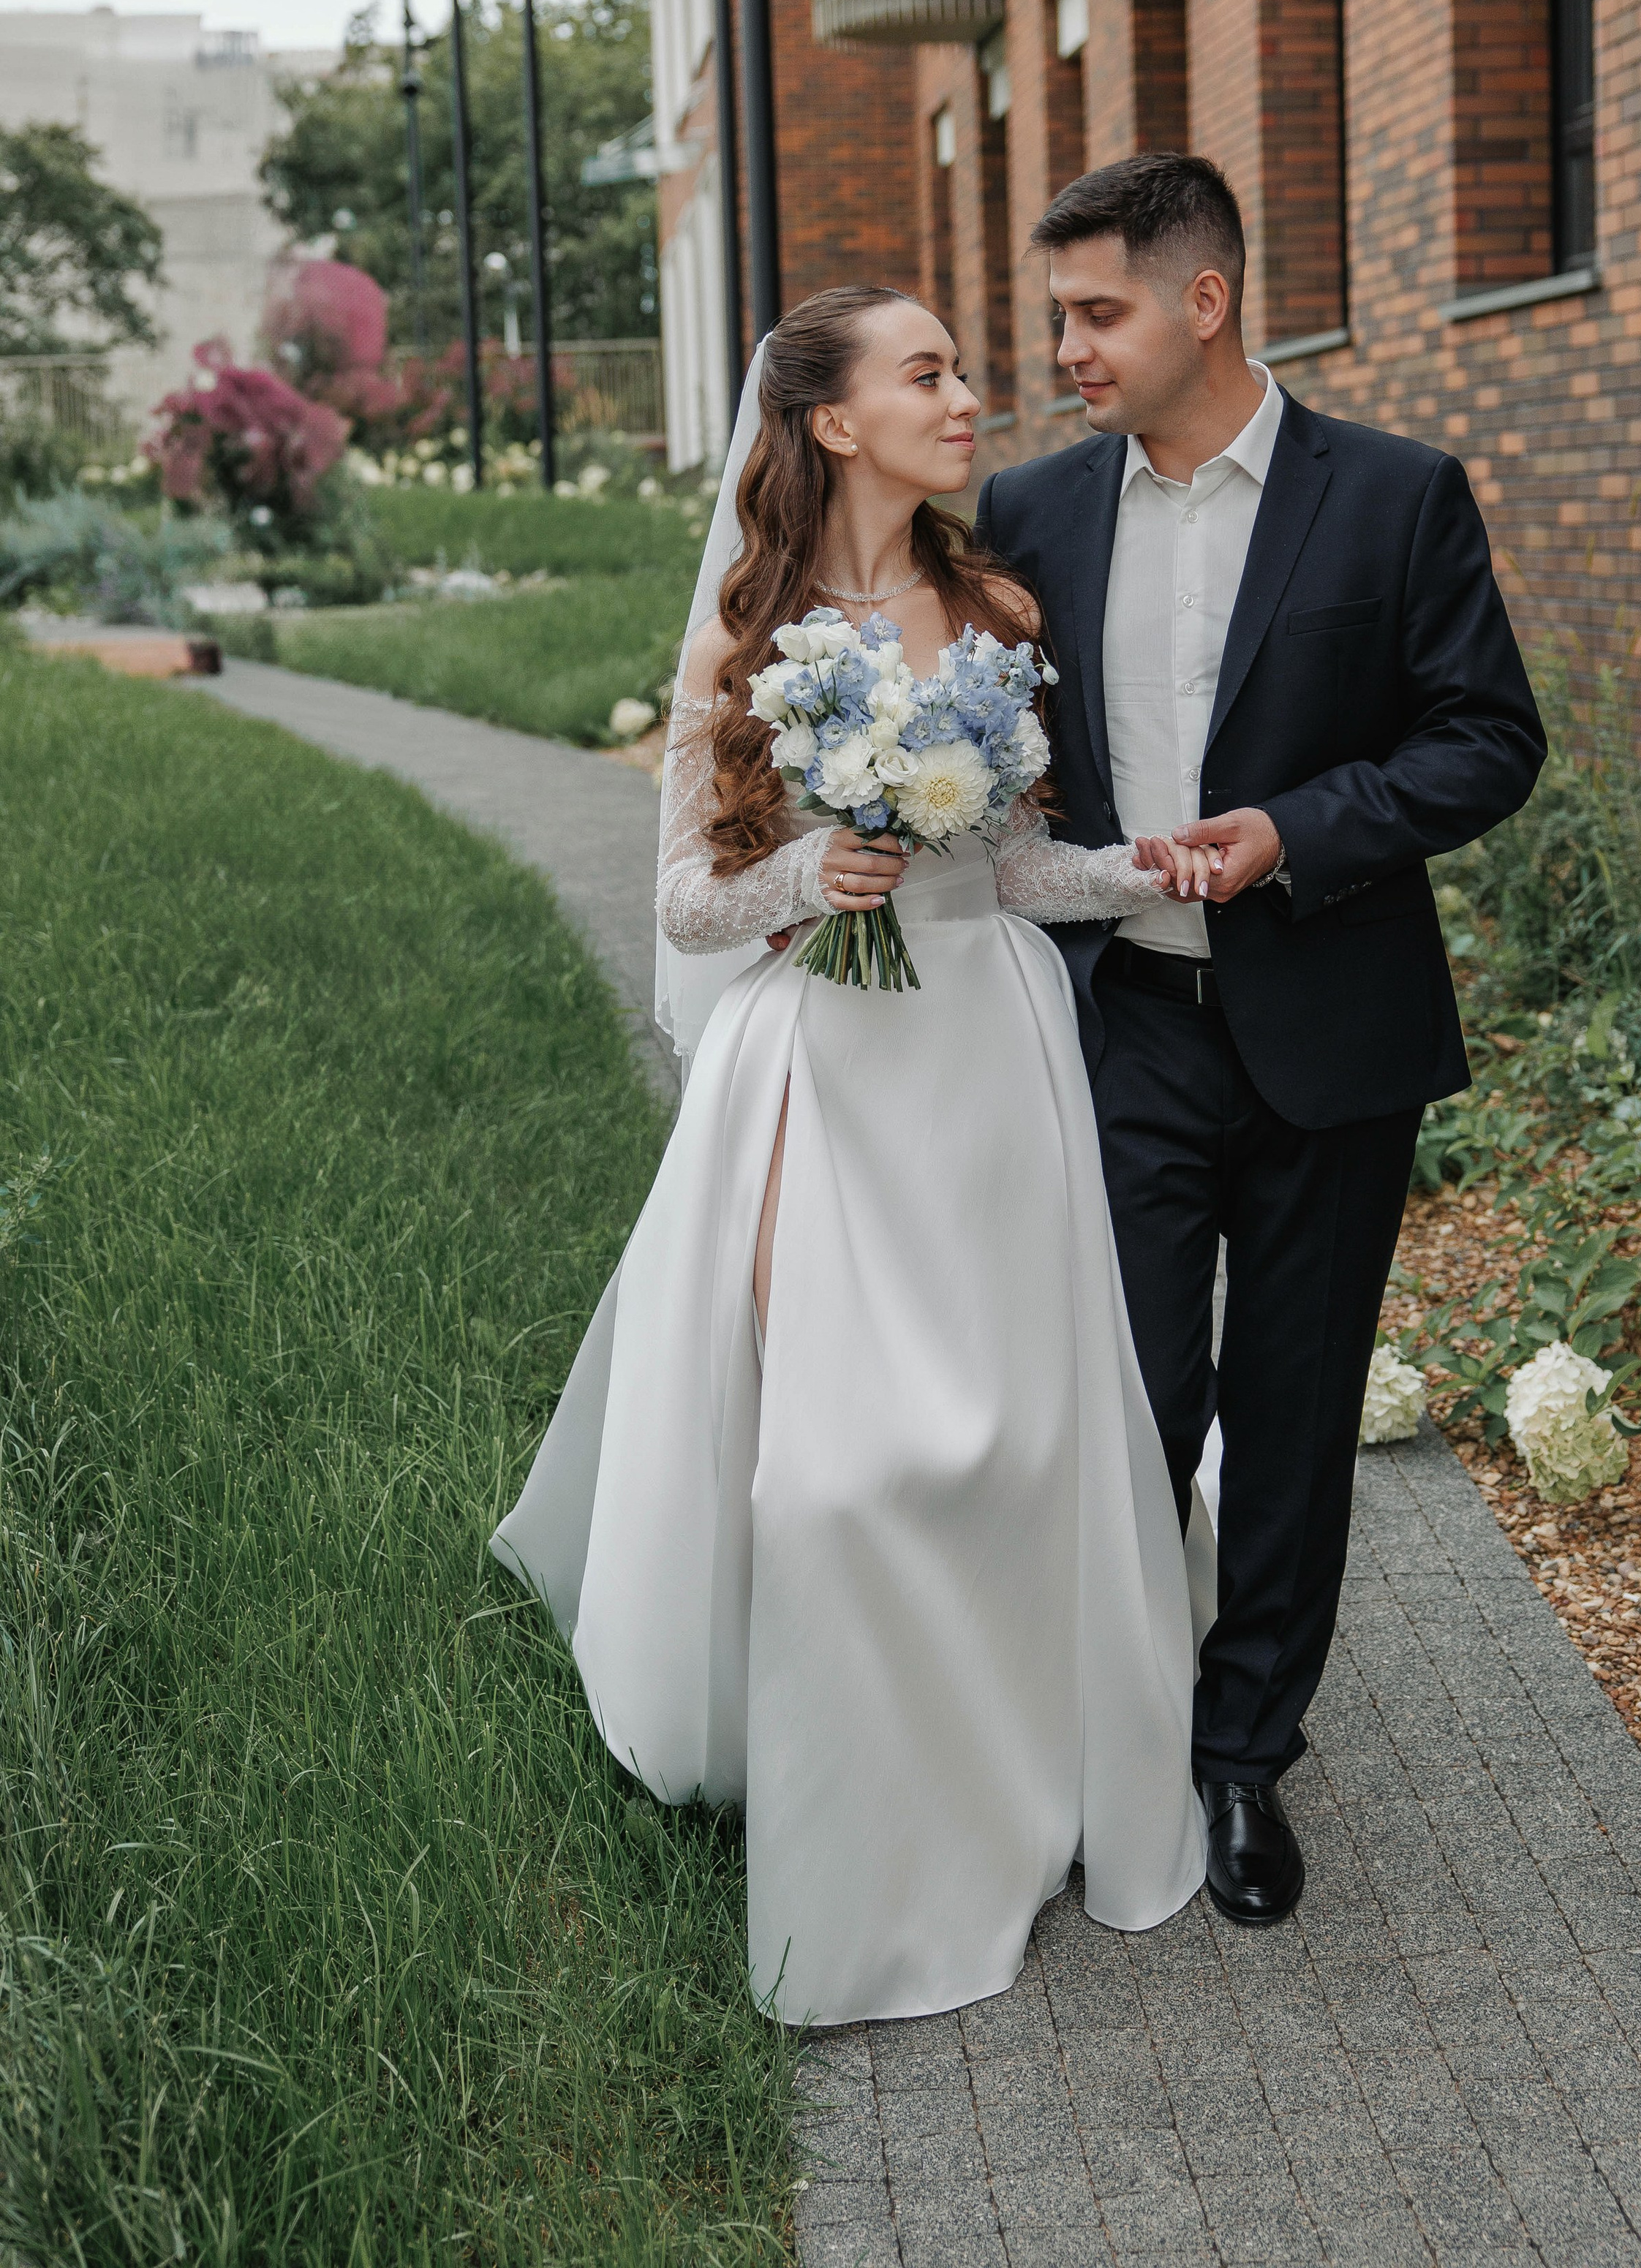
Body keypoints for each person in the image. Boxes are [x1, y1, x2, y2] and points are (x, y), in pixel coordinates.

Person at [491, 284, 1209, 2028]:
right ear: (829, 419)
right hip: (822, 1058)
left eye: (964, 369)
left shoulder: (991, 607)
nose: (970, 396)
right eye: (929, 372)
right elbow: (680, 899)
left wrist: (1154, 867)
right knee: (833, 1469)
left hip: (989, 1057)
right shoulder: (750, 637)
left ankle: (1022, 1771)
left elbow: (1015, 867)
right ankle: (852, 1810)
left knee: (1017, 1440)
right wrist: (807, 877)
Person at [976, 154, 1546, 1928]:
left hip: (1325, 1033)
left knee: (1292, 1423)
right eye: (1056, 313)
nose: (1064, 344)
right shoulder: (1029, 511)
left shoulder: (1391, 498)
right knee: (1130, 1403)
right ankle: (1118, 1739)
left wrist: (1295, 828)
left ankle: (1240, 1766)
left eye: (1095, 312)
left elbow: (1485, 741)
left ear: (1200, 302)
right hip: (1122, 1022)